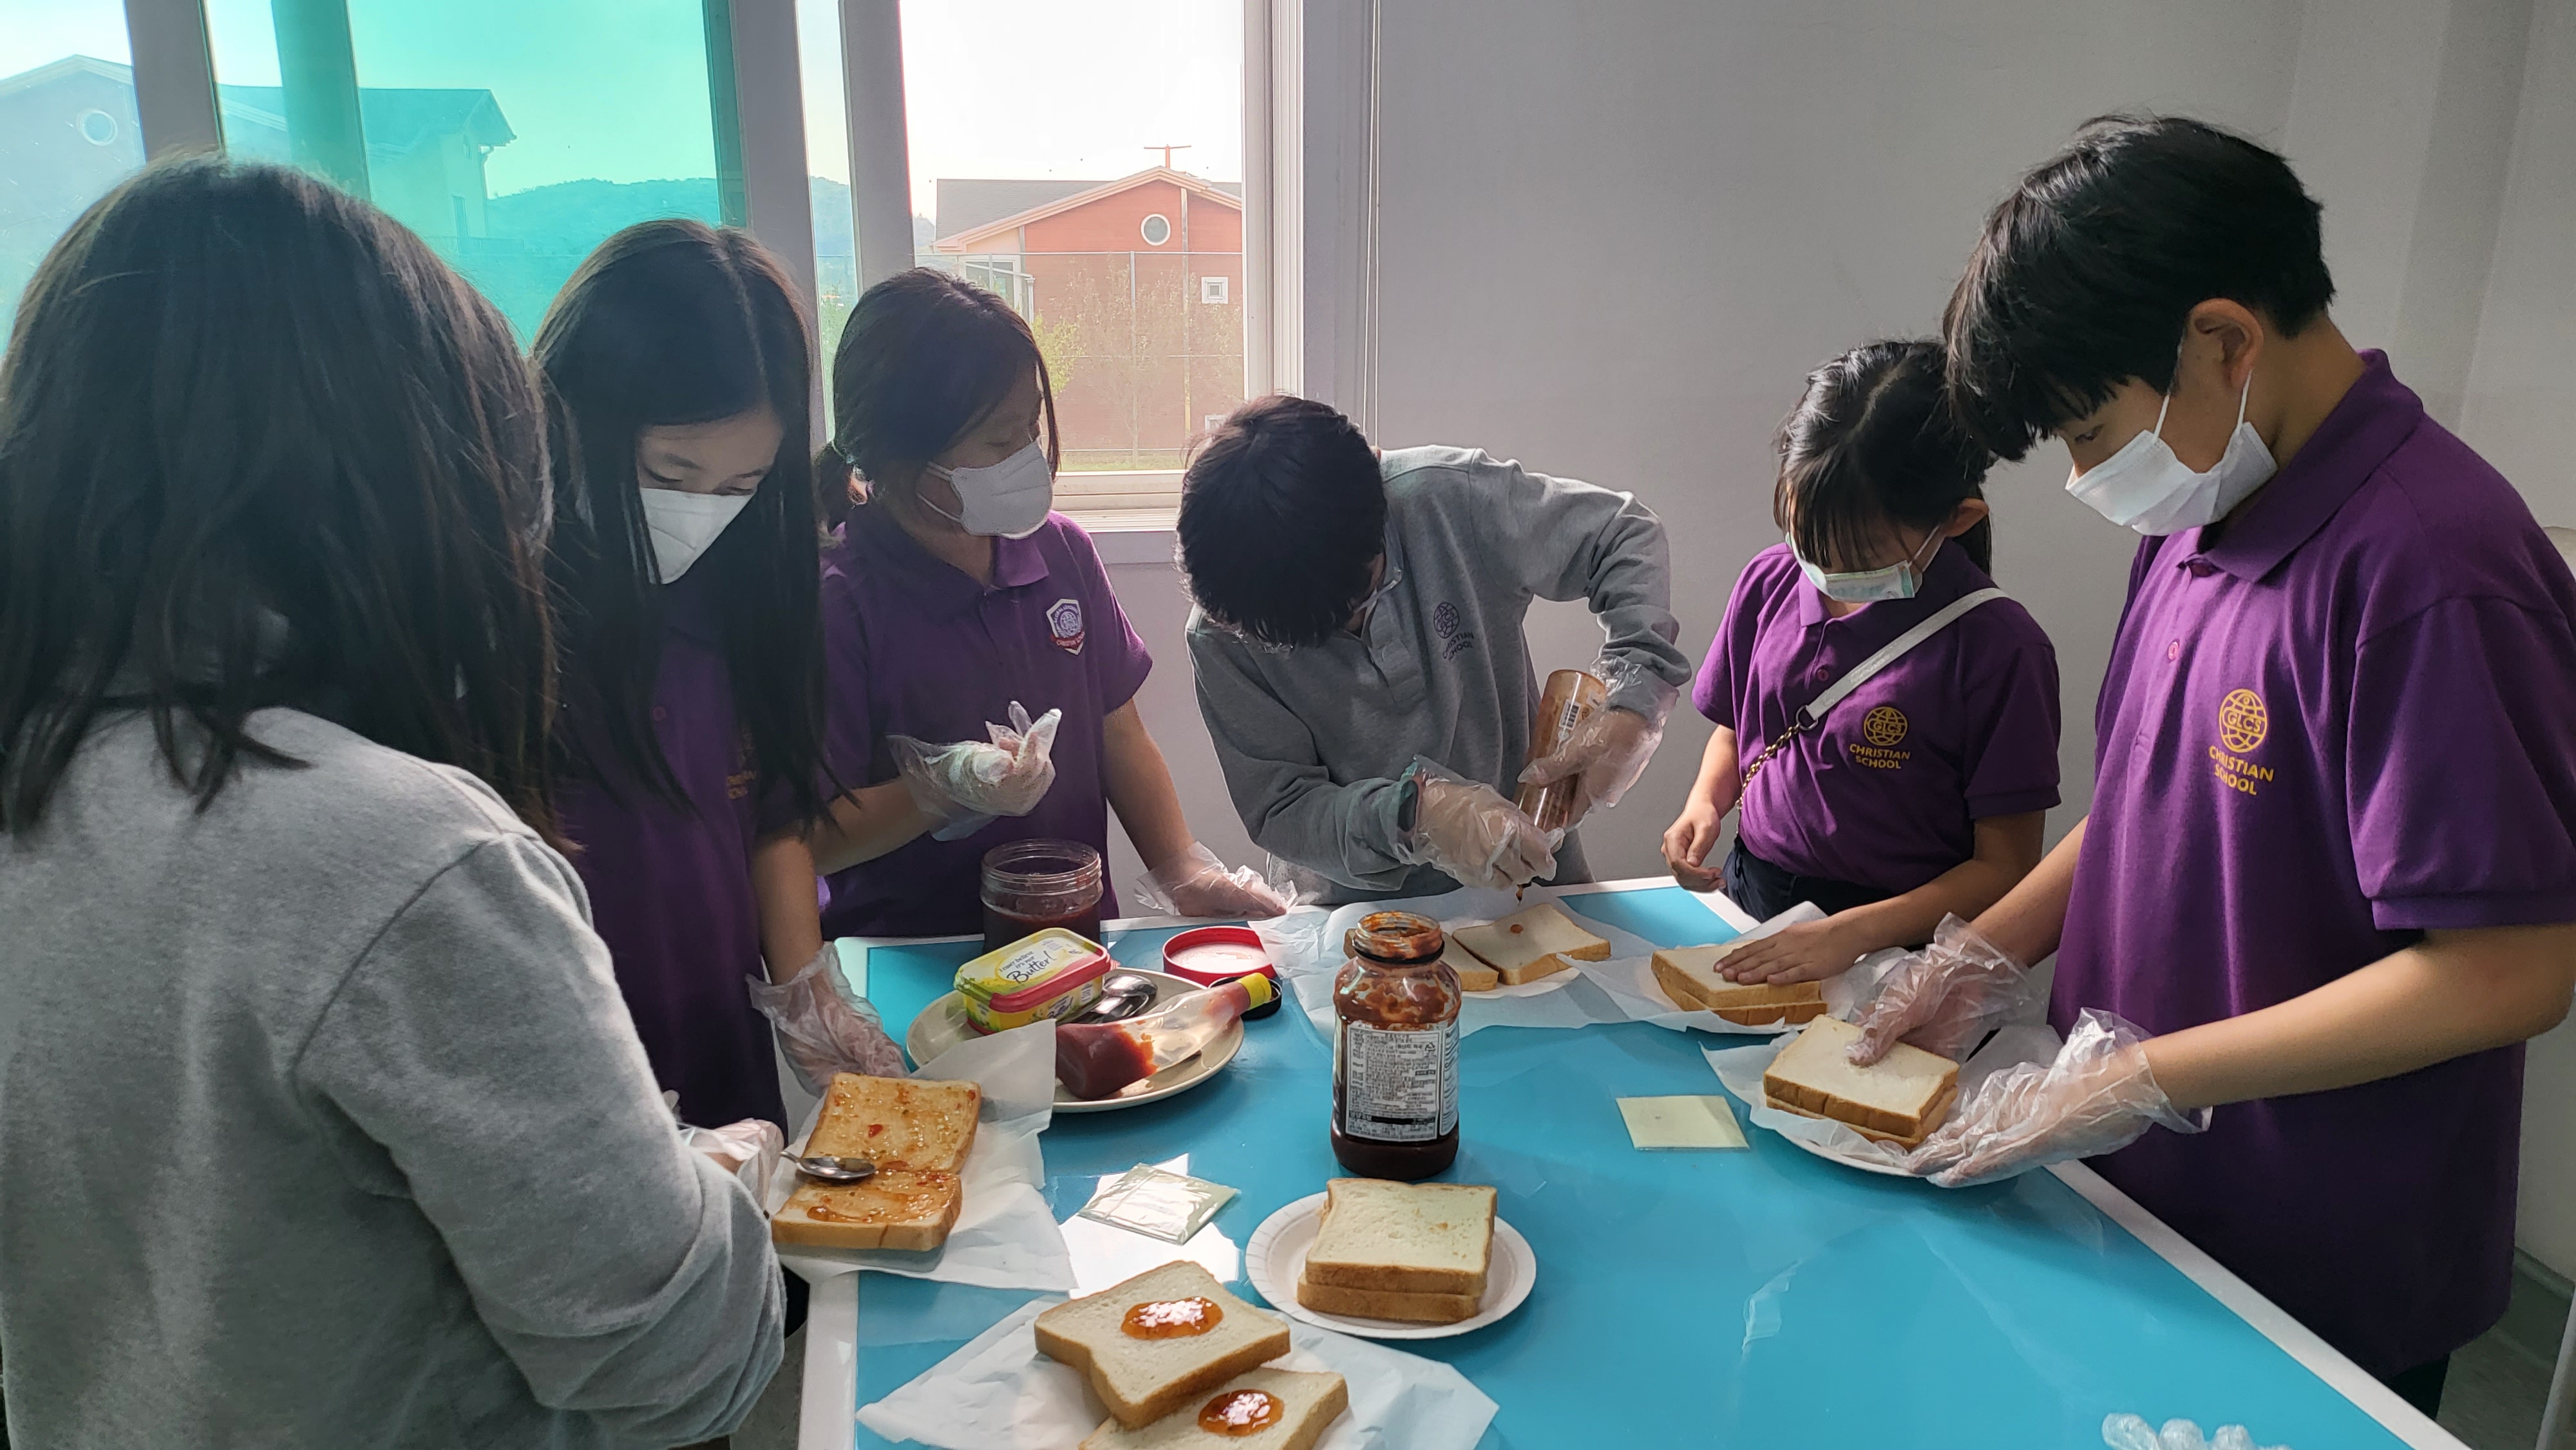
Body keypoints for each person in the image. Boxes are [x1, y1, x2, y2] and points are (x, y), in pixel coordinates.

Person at [0, 160, 780, 1445]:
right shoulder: (402, 860)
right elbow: (676, 1360)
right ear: (407, 487)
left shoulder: (48, 769)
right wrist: (723, 1179)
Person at [1876, 115, 2576, 1416]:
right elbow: (2148, 803)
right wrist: (1977, 954)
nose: (2086, 476)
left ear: (2222, 342)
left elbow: (2506, 969)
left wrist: (2141, 1076)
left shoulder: (2434, 569)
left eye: (2091, 428)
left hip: (2316, 1254)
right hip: (2136, 1201)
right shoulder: (2202, 509)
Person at [534, 220, 888, 1136]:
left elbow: (774, 817)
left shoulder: (748, 589)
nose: (697, 514)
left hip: (717, 1048)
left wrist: (806, 989)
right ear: (572, 414)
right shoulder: (504, 613)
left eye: (739, 487)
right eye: (668, 471)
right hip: (558, 1066)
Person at [808, 268, 1281, 936]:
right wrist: (942, 788)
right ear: (899, 454)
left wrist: (1181, 869)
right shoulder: (838, 602)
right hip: (914, 951)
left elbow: (1119, 734)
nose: (1026, 456)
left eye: (1030, 428)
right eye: (1000, 442)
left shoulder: (1061, 554)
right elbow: (815, 836)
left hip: (1069, 935)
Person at [1178, 394, 1694, 902]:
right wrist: (1411, 817)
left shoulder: (1448, 499)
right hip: (1349, 912)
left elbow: (1624, 536)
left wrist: (1634, 698)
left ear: (1381, 510)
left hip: (1529, 884)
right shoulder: (1226, 627)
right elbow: (1283, 808)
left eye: (1361, 600)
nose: (1351, 629)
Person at [1660, 340, 2060, 982]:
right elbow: (1738, 731)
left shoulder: (1999, 647)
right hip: (1751, 905)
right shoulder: (1769, 581)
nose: (1826, 570)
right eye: (1807, 537)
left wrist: (1852, 932)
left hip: (1896, 949)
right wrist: (1704, 803)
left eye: (1860, 553)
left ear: (1957, 519)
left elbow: (2004, 868)